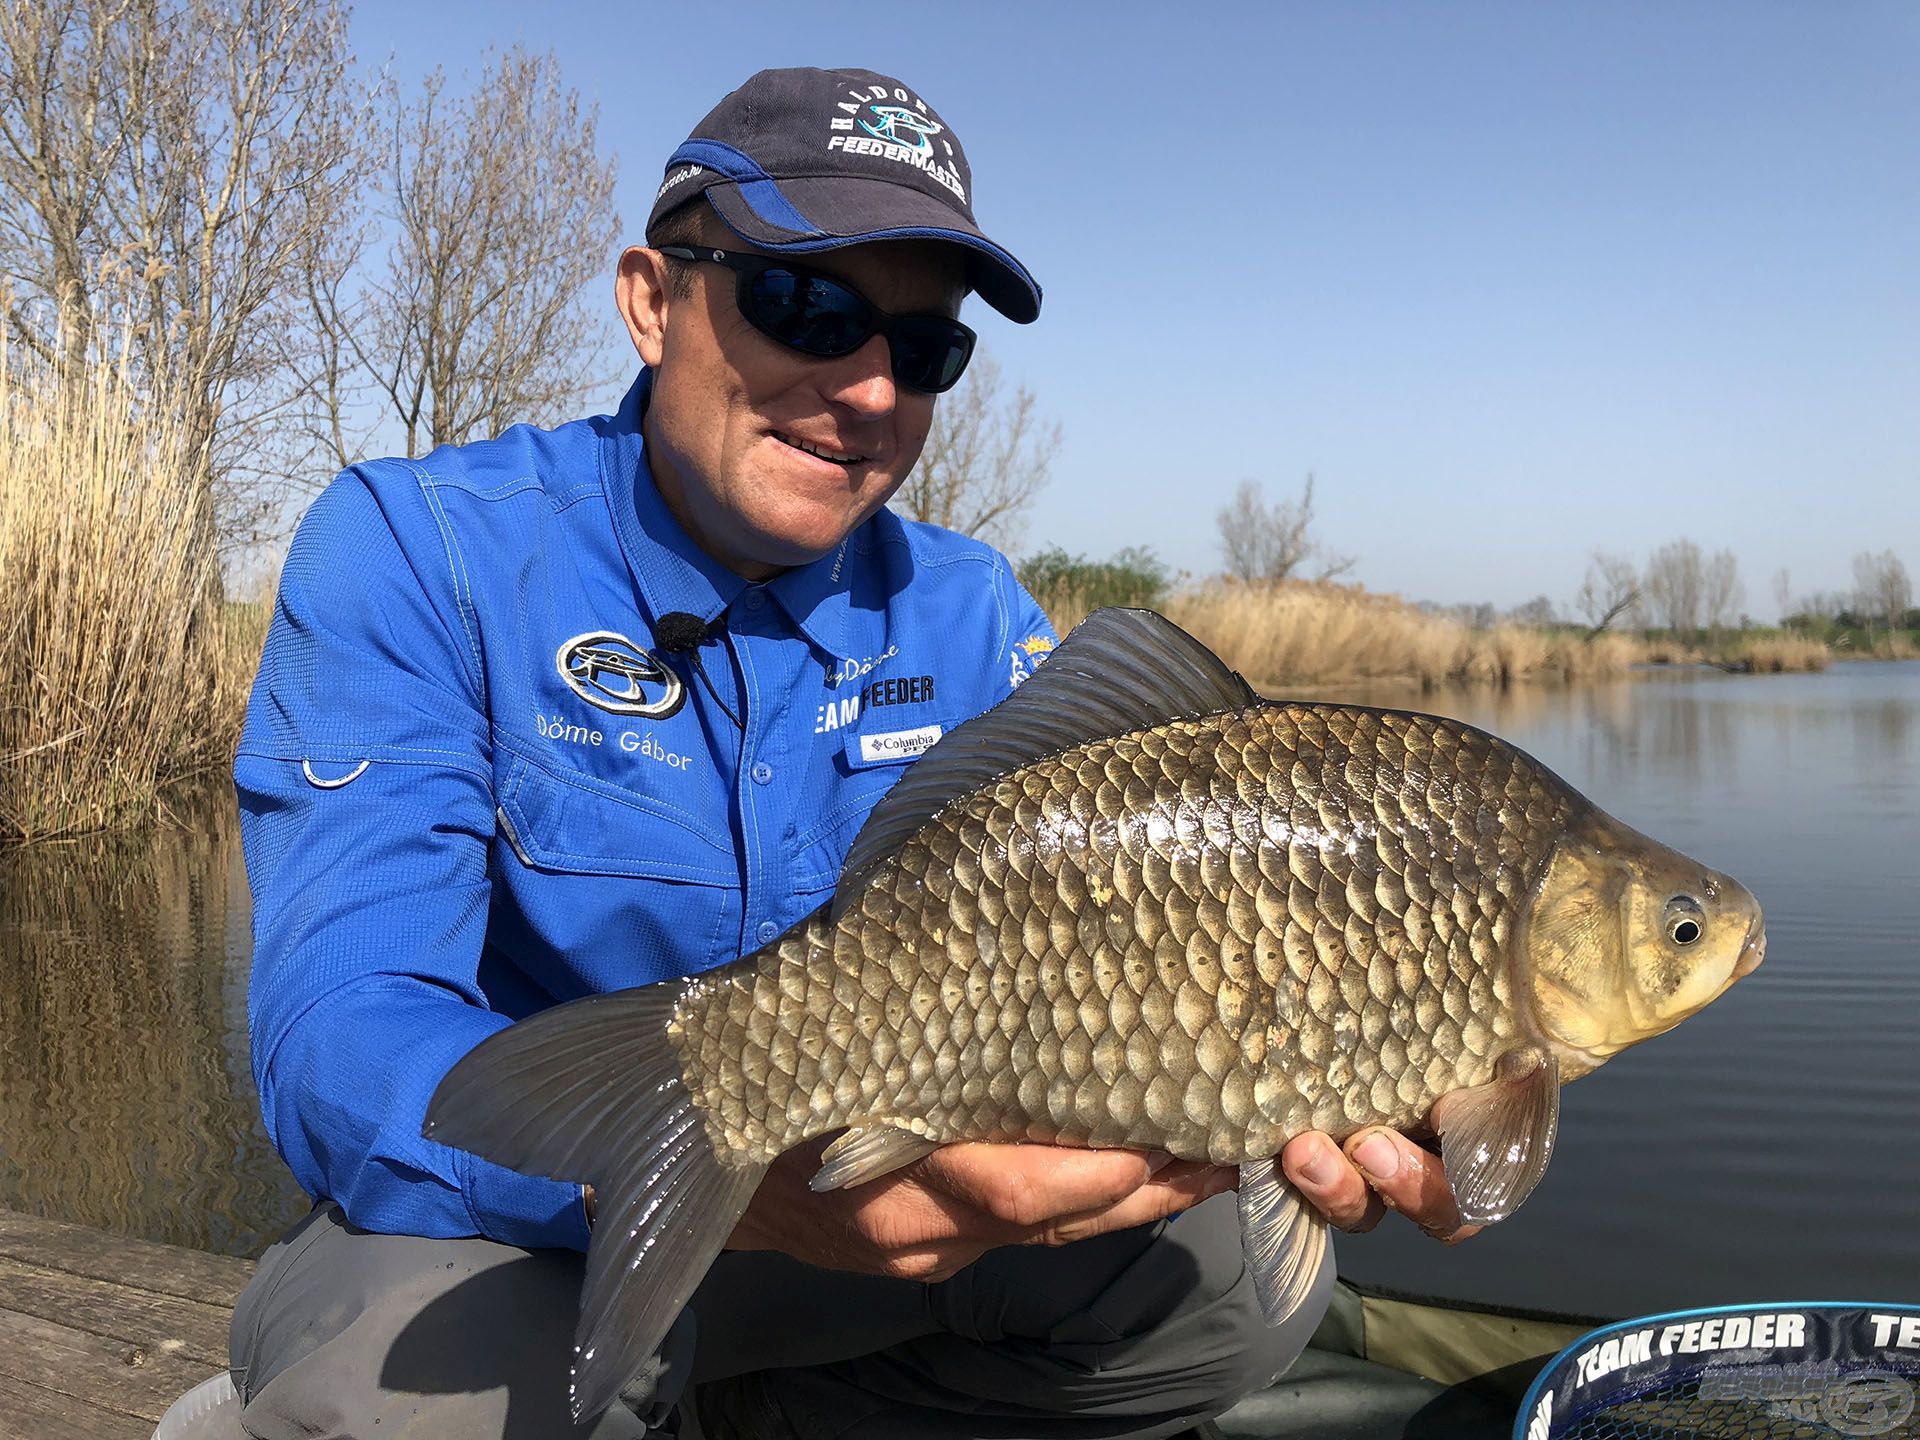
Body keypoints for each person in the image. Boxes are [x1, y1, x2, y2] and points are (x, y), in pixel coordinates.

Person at [220, 66, 1479, 1440]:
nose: (871, 386)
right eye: (805, 306)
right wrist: (731, 1177)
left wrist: (1359, 1038)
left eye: (925, 346)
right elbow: (338, 1039)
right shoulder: (418, 553)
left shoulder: (974, 608)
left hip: (873, 1219)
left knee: (1232, 1287)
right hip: (534, 1232)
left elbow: (1151, 957)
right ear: (652, 299)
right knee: (403, 1407)